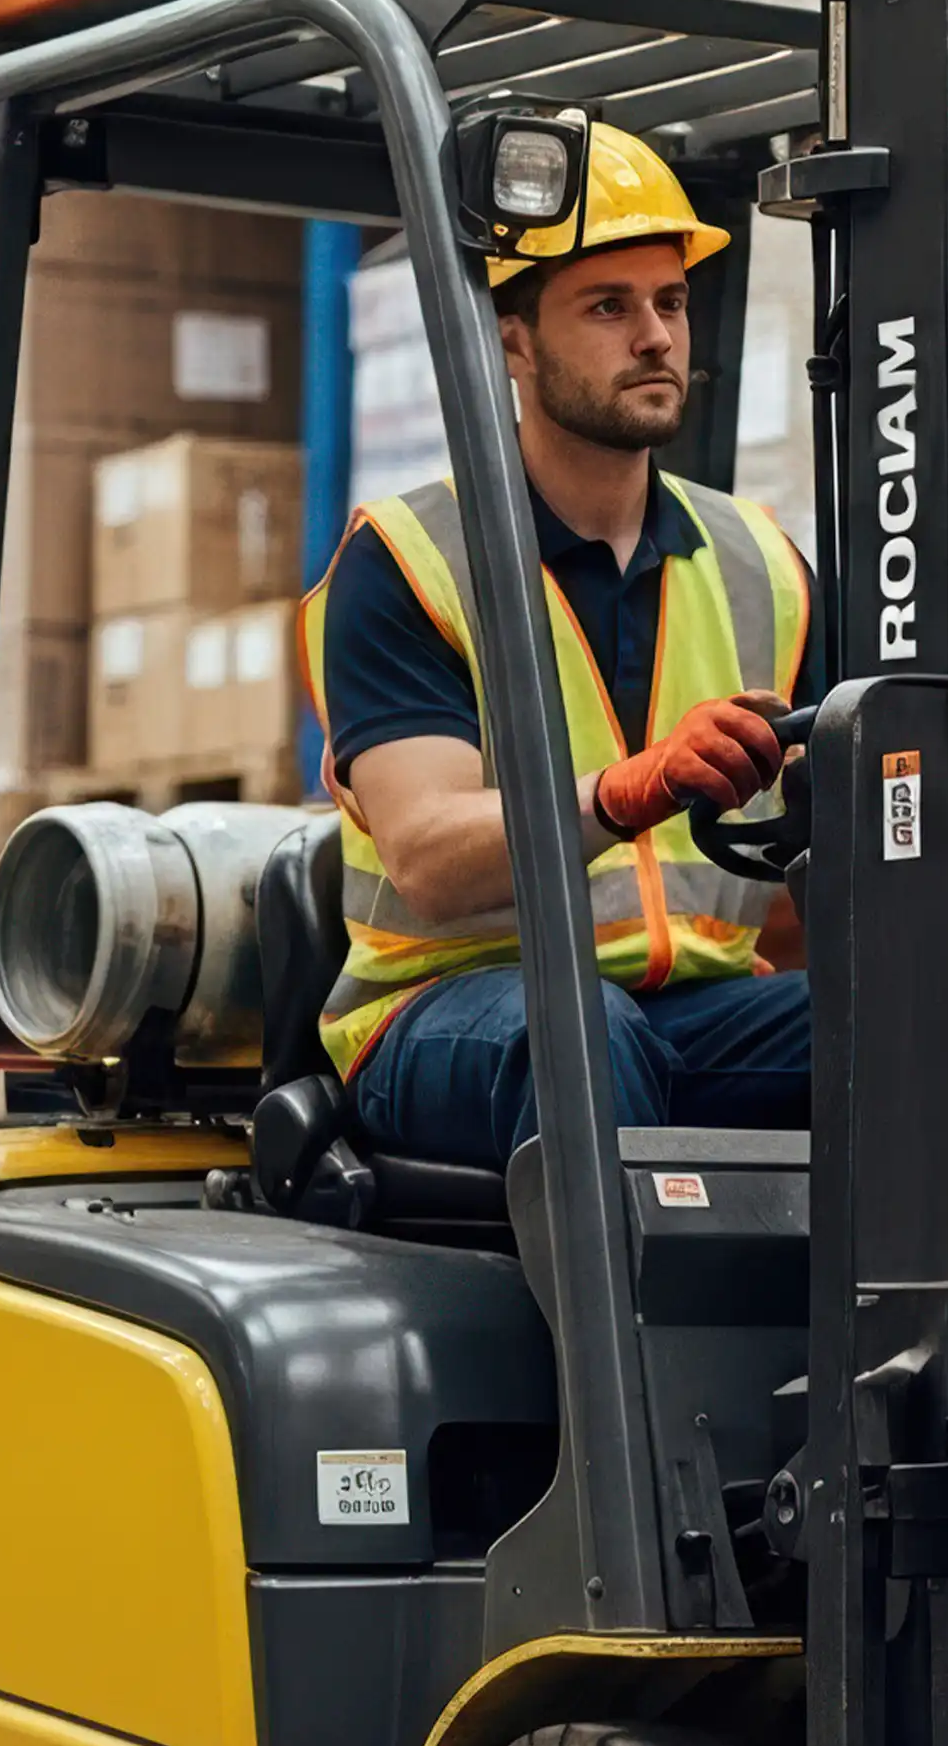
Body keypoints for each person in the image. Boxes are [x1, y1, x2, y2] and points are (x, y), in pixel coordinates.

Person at [302, 124, 818, 1172]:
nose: (657, 337)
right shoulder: (407, 560)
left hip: (691, 1007)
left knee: (926, 1022)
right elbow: (431, 860)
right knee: (579, 1029)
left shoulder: (761, 561)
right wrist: (626, 791)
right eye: (607, 306)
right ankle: (620, 1341)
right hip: (446, 1018)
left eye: (669, 302)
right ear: (513, 341)